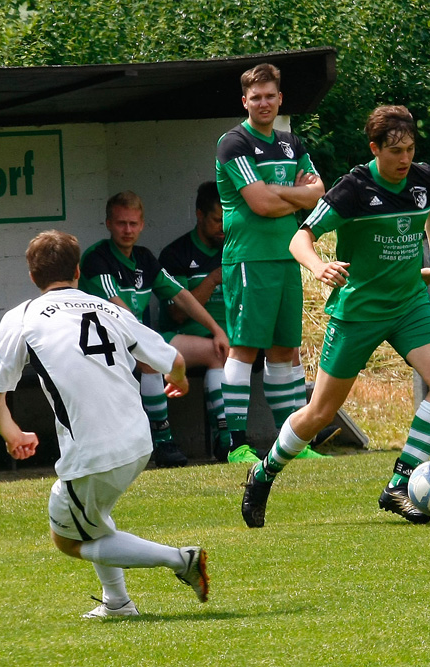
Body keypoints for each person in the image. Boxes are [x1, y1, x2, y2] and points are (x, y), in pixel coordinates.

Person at [240, 105, 430, 528]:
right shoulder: (353, 189)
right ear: (374, 149)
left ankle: (399, 484)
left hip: (409, 305)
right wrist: (318, 266)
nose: (404, 159)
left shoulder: (424, 178)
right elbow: (300, 238)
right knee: (319, 414)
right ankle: (264, 471)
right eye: (395, 151)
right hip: (358, 312)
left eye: (410, 149)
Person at [0, 230, 209, 618]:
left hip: (94, 450)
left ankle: (181, 560)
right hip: (139, 440)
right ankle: (118, 603)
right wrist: (181, 381)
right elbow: (173, 360)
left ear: (32, 276)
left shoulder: (21, 318)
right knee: (94, 517)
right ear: (78, 270)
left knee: (67, 540)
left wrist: (12, 434)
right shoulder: (109, 309)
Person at [215, 63, 325, 464]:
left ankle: (293, 444)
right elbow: (259, 203)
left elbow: (318, 193)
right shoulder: (233, 143)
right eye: (255, 97)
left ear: (280, 99)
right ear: (244, 101)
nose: (263, 103)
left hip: (287, 255)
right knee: (244, 349)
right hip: (249, 259)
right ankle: (237, 445)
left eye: (269, 96)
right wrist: (292, 193)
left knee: (285, 350)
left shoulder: (291, 142)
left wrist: (282, 194)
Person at [81, 191, 229, 468]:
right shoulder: (96, 258)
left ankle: (226, 436)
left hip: (137, 339)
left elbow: (182, 296)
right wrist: (151, 347)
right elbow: (119, 310)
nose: (128, 230)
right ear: (109, 224)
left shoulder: (144, 259)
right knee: (149, 358)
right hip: (102, 345)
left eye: (133, 224)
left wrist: (216, 330)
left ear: (142, 225)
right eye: (122, 223)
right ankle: (162, 440)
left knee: (217, 352)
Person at [158, 181, 232, 460]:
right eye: (216, 220)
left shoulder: (234, 247)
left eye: (226, 220)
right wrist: (212, 280)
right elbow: (176, 313)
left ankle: (298, 431)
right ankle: (226, 440)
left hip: (233, 337)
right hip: (188, 338)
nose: (222, 228)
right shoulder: (176, 254)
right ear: (199, 215)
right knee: (217, 350)